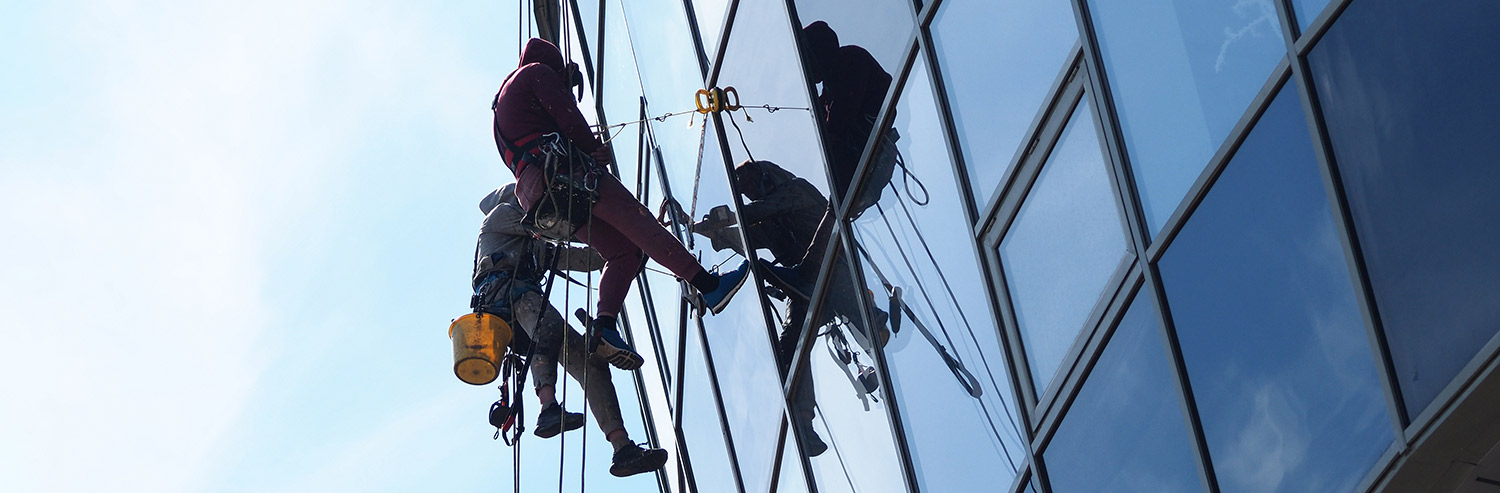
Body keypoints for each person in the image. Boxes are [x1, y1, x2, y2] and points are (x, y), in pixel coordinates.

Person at [492, 38, 776, 357]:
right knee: (637, 221)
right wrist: (591, 148)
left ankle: (605, 327)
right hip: (565, 175)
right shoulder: (536, 72)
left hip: (544, 204)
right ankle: (710, 287)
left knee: (624, 252)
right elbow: (566, 113)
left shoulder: (502, 108)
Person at [696, 160, 892, 456]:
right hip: (803, 289)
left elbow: (768, 209)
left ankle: (872, 325)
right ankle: (804, 422)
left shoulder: (797, 189)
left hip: (830, 268)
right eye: (743, 192)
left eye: (748, 187)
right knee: (790, 341)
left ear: (765, 176)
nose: (749, 195)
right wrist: (709, 231)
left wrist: (730, 217)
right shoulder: (768, 219)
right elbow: (746, 238)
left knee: (838, 283)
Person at [473, 185, 668, 477]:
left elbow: (586, 259)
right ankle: (547, 408)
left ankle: (622, 448)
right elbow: (551, 226)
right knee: (548, 328)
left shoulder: (538, 245)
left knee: (591, 366)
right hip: (505, 297)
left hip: (526, 307)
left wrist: (635, 244)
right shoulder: (500, 216)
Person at [792, 21, 900, 279]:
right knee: (836, 207)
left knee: (836, 208)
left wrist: (823, 115)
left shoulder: (849, 61)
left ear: (819, 52)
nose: (807, 67)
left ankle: (812, 270)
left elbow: (839, 122)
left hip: (873, 159)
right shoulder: (830, 84)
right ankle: (812, 269)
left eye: (808, 59)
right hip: (864, 161)